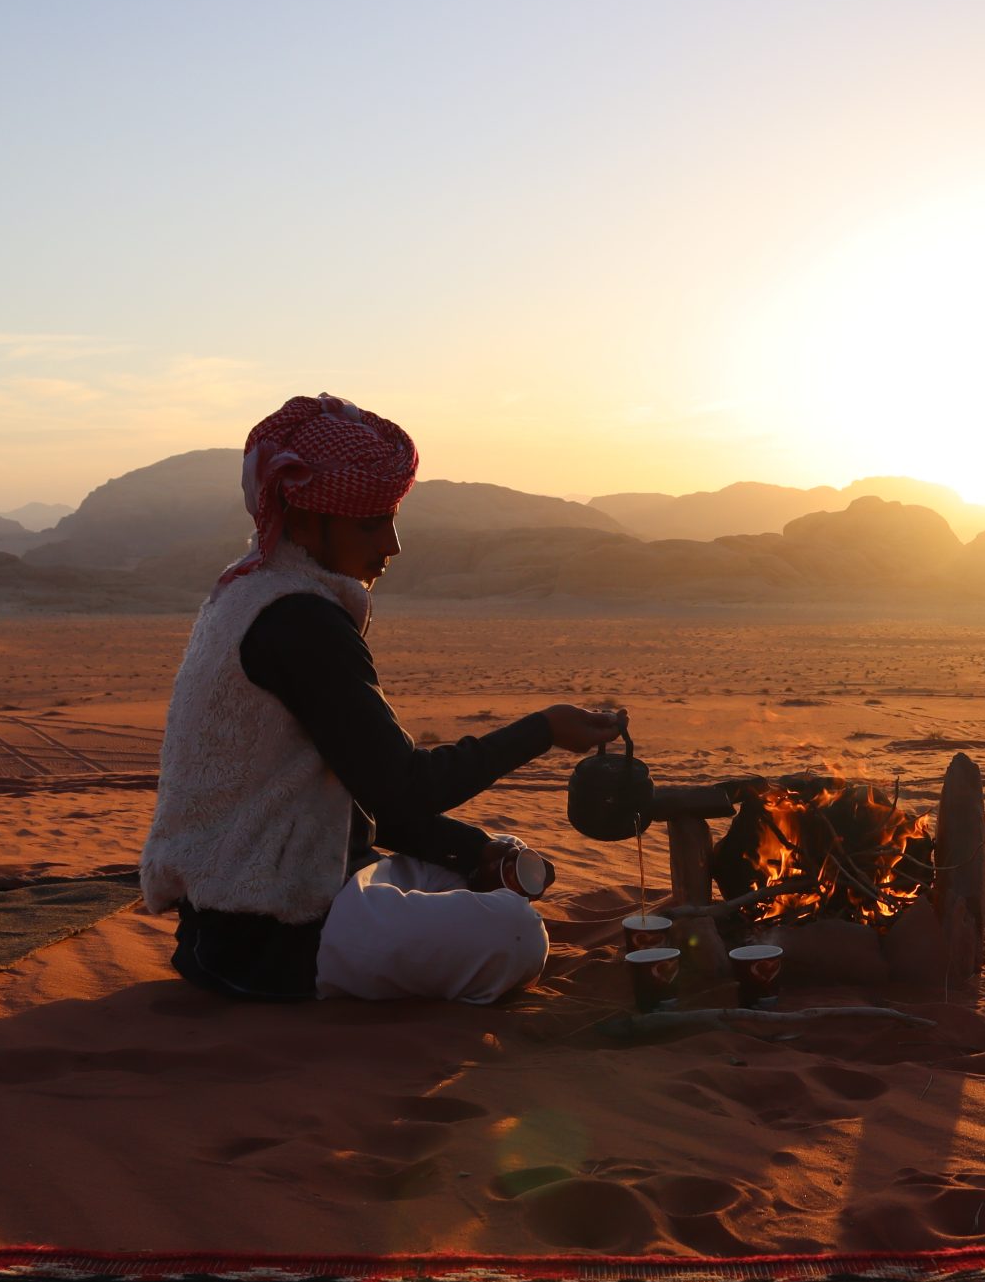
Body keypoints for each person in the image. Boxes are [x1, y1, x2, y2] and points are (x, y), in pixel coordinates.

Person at [138, 393, 624, 1002]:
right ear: (307, 520)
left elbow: (371, 796)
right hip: (268, 933)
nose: (391, 545)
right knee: (516, 934)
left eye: (390, 520)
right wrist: (545, 730)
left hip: (281, 892)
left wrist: (474, 851)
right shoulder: (297, 621)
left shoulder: (260, 596)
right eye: (370, 523)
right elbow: (401, 786)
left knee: (473, 876)